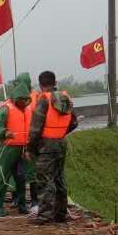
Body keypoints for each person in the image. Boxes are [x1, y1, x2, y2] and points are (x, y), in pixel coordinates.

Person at [27, 70, 79, 224]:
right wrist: (61, 133)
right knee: (59, 178)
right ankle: (60, 214)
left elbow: (35, 128)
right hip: (61, 143)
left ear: (40, 84)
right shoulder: (65, 98)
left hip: (46, 145)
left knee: (45, 179)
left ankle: (45, 215)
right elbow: (74, 122)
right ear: (55, 83)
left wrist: (30, 148)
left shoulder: (44, 99)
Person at [0, 75, 32, 216]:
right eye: (21, 99)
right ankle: (0, 206)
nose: (24, 102)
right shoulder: (6, 108)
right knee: (2, 176)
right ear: (16, 98)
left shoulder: (27, 110)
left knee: (21, 177)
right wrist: (5, 132)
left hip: (22, 149)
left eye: (26, 100)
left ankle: (22, 205)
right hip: (7, 149)